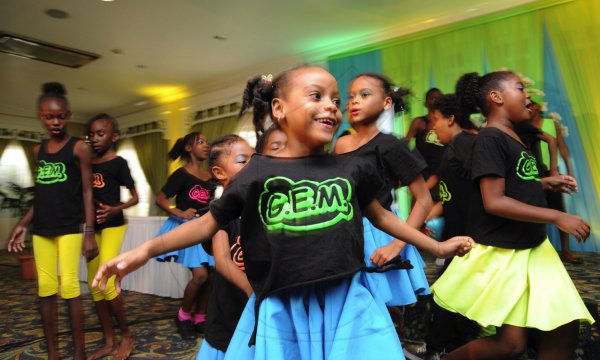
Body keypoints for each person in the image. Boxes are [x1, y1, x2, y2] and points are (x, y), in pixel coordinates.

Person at [93, 66, 474, 360]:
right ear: (279, 109)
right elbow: (207, 223)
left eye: (334, 99)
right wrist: (143, 251)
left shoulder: (351, 167)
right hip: (284, 305)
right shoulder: (257, 172)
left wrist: (436, 249)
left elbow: (381, 217)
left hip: (347, 299)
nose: (331, 105)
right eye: (316, 96)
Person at [431, 71, 593, 360]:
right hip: (507, 251)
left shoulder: (512, 137)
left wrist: (543, 183)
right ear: (497, 97)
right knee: (512, 344)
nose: (528, 94)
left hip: (532, 247)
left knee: (556, 330)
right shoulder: (490, 138)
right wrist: (556, 216)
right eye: (520, 87)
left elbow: (511, 183)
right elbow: (493, 201)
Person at [7, 82, 97, 360]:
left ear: (68, 115)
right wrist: (22, 223)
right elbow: (42, 194)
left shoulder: (79, 147)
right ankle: (53, 354)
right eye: (48, 116)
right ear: (40, 116)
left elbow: (87, 190)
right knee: (45, 289)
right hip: (42, 229)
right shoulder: (38, 151)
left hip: (69, 227)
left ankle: (80, 352)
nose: (55, 121)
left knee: (69, 287)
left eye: (60, 116)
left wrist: (89, 231)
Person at [334, 73, 433, 308]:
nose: (354, 101)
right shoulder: (341, 144)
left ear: (386, 102)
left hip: (380, 233)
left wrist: (397, 245)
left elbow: (424, 199)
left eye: (364, 95)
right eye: (351, 96)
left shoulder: (392, 145)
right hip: (346, 232)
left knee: (385, 308)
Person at [424, 94, 481, 356]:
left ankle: (443, 348)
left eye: (435, 120)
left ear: (450, 118)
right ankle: (445, 346)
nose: (432, 127)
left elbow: (487, 187)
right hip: (455, 237)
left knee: (451, 297)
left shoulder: (467, 144)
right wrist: (420, 221)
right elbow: (449, 197)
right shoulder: (451, 149)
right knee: (449, 296)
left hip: (470, 238)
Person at [196, 134, 254, 359]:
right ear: (219, 173)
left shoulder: (265, 209)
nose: (252, 166)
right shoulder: (218, 212)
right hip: (230, 308)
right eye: (243, 160)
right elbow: (222, 261)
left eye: (254, 159)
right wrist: (251, 290)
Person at [86, 113, 139, 360]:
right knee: (94, 285)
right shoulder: (86, 162)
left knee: (106, 281)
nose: (94, 138)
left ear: (113, 136)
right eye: (91, 134)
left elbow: (135, 198)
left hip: (114, 225)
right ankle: (109, 340)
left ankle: (127, 336)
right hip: (91, 229)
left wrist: (113, 209)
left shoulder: (119, 163)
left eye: (101, 133)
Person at [154, 132, 215, 340]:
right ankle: (182, 316)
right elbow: (160, 199)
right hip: (189, 229)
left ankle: (200, 318)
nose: (206, 145)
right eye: (201, 142)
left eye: (206, 142)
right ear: (189, 148)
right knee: (200, 275)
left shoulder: (210, 176)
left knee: (211, 277)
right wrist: (179, 212)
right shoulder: (181, 174)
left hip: (207, 228)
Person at [528, 102, 581, 264]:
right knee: (532, 210)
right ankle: (534, 250)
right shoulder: (522, 125)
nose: (529, 107)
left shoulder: (552, 124)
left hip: (552, 171)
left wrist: (568, 169)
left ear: (537, 108)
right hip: (532, 171)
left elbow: (561, 147)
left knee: (558, 208)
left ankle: (566, 250)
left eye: (531, 104)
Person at [406, 88, 445, 192]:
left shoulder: (447, 122)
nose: (436, 100)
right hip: (424, 173)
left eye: (438, 98)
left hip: (443, 172)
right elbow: (405, 145)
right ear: (425, 103)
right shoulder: (419, 122)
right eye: (432, 98)